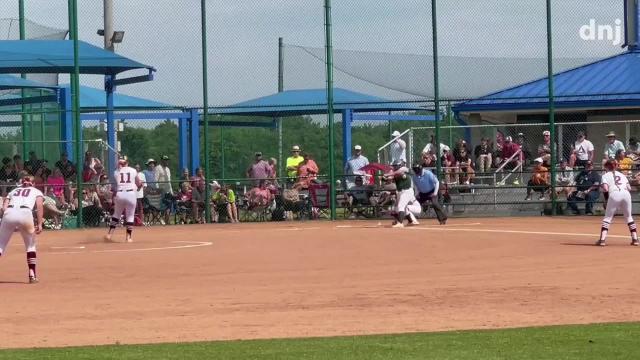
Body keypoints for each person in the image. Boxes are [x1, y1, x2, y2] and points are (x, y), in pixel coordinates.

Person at [0, 175, 44, 284]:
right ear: (33, 184)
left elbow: (3, 208)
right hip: (25, 213)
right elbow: (39, 207)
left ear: (21, 183)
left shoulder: (14, 190)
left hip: (9, 212)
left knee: (1, 245)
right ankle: (32, 274)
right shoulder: (36, 191)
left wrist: (11, 219)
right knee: (30, 246)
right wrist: (39, 223)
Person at [596, 159, 639, 246]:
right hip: (626, 193)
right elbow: (629, 188)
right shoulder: (622, 175)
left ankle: (602, 240)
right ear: (616, 166)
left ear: (606, 167)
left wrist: (607, 199)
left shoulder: (605, 175)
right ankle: (635, 239)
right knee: (629, 217)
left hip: (614, 193)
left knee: (607, 218)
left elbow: (605, 189)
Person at [104, 156, 142, 243]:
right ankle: (128, 237)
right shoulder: (133, 170)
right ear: (127, 163)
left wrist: (120, 163)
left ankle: (109, 234)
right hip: (131, 194)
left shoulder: (116, 172)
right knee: (130, 216)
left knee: (116, 214)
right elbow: (139, 183)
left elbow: (119, 169)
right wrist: (140, 186)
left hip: (120, 193)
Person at [384, 160, 416, 228]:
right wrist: (383, 178)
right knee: (403, 208)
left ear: (399, 165)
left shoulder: (403, 169)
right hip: (401, 192)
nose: (394, 167)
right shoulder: (395, 173)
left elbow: (398, 173)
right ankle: (411, 221)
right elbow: (390, 178)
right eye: (394, 166)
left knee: (401, 206)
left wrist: (388, 174)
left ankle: (400, 223)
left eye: (395, 166)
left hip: (407, 191)